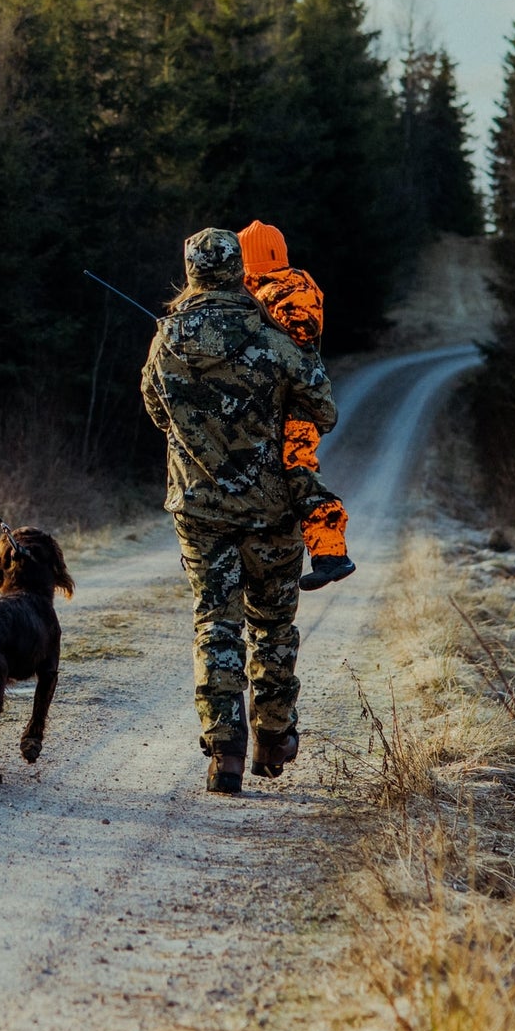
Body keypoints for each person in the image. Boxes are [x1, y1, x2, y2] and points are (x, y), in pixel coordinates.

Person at [142, 228, 338, 795]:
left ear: (191, 271)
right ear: (239, 271)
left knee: (215, 623)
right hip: (271, 508)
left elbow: (156, 410)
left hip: (198, 508)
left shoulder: (166, 339)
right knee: (272, 625)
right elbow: (323, 410)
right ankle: (273, 740)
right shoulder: (272, 337)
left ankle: (224, 753)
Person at [237, 221, 355, 589]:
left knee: (298, 470)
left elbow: (294, 335)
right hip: (296, 401)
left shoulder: (280, 294)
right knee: (296, 469)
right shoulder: (294, 288)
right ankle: (325, 553)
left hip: (296, 405)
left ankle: (331, 554)